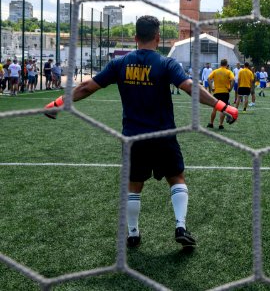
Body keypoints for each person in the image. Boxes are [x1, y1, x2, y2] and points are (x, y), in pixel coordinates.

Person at [44, 15, 238, 248]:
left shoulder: (119, 64)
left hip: (133, 136)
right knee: (176, 178)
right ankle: (180, 226)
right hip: (163, 134)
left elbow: (86, 87)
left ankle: (133, 233)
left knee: (134, 184)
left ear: (135, 37)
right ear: (157, 37)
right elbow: (190, 88)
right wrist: (222, 106)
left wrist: (57, 103)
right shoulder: (166, 63)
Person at [207, 59, 235, 130]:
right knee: (223, 109)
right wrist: (230, 88)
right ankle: (220, 124)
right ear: (226, 64)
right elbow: (233, 80)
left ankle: (211, 123)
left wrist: (212, 88)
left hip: (216, 92)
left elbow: (208, 78)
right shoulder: (229, 72)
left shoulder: (215, 71)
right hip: (225, 92)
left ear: (220, 64)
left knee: (214, 109)